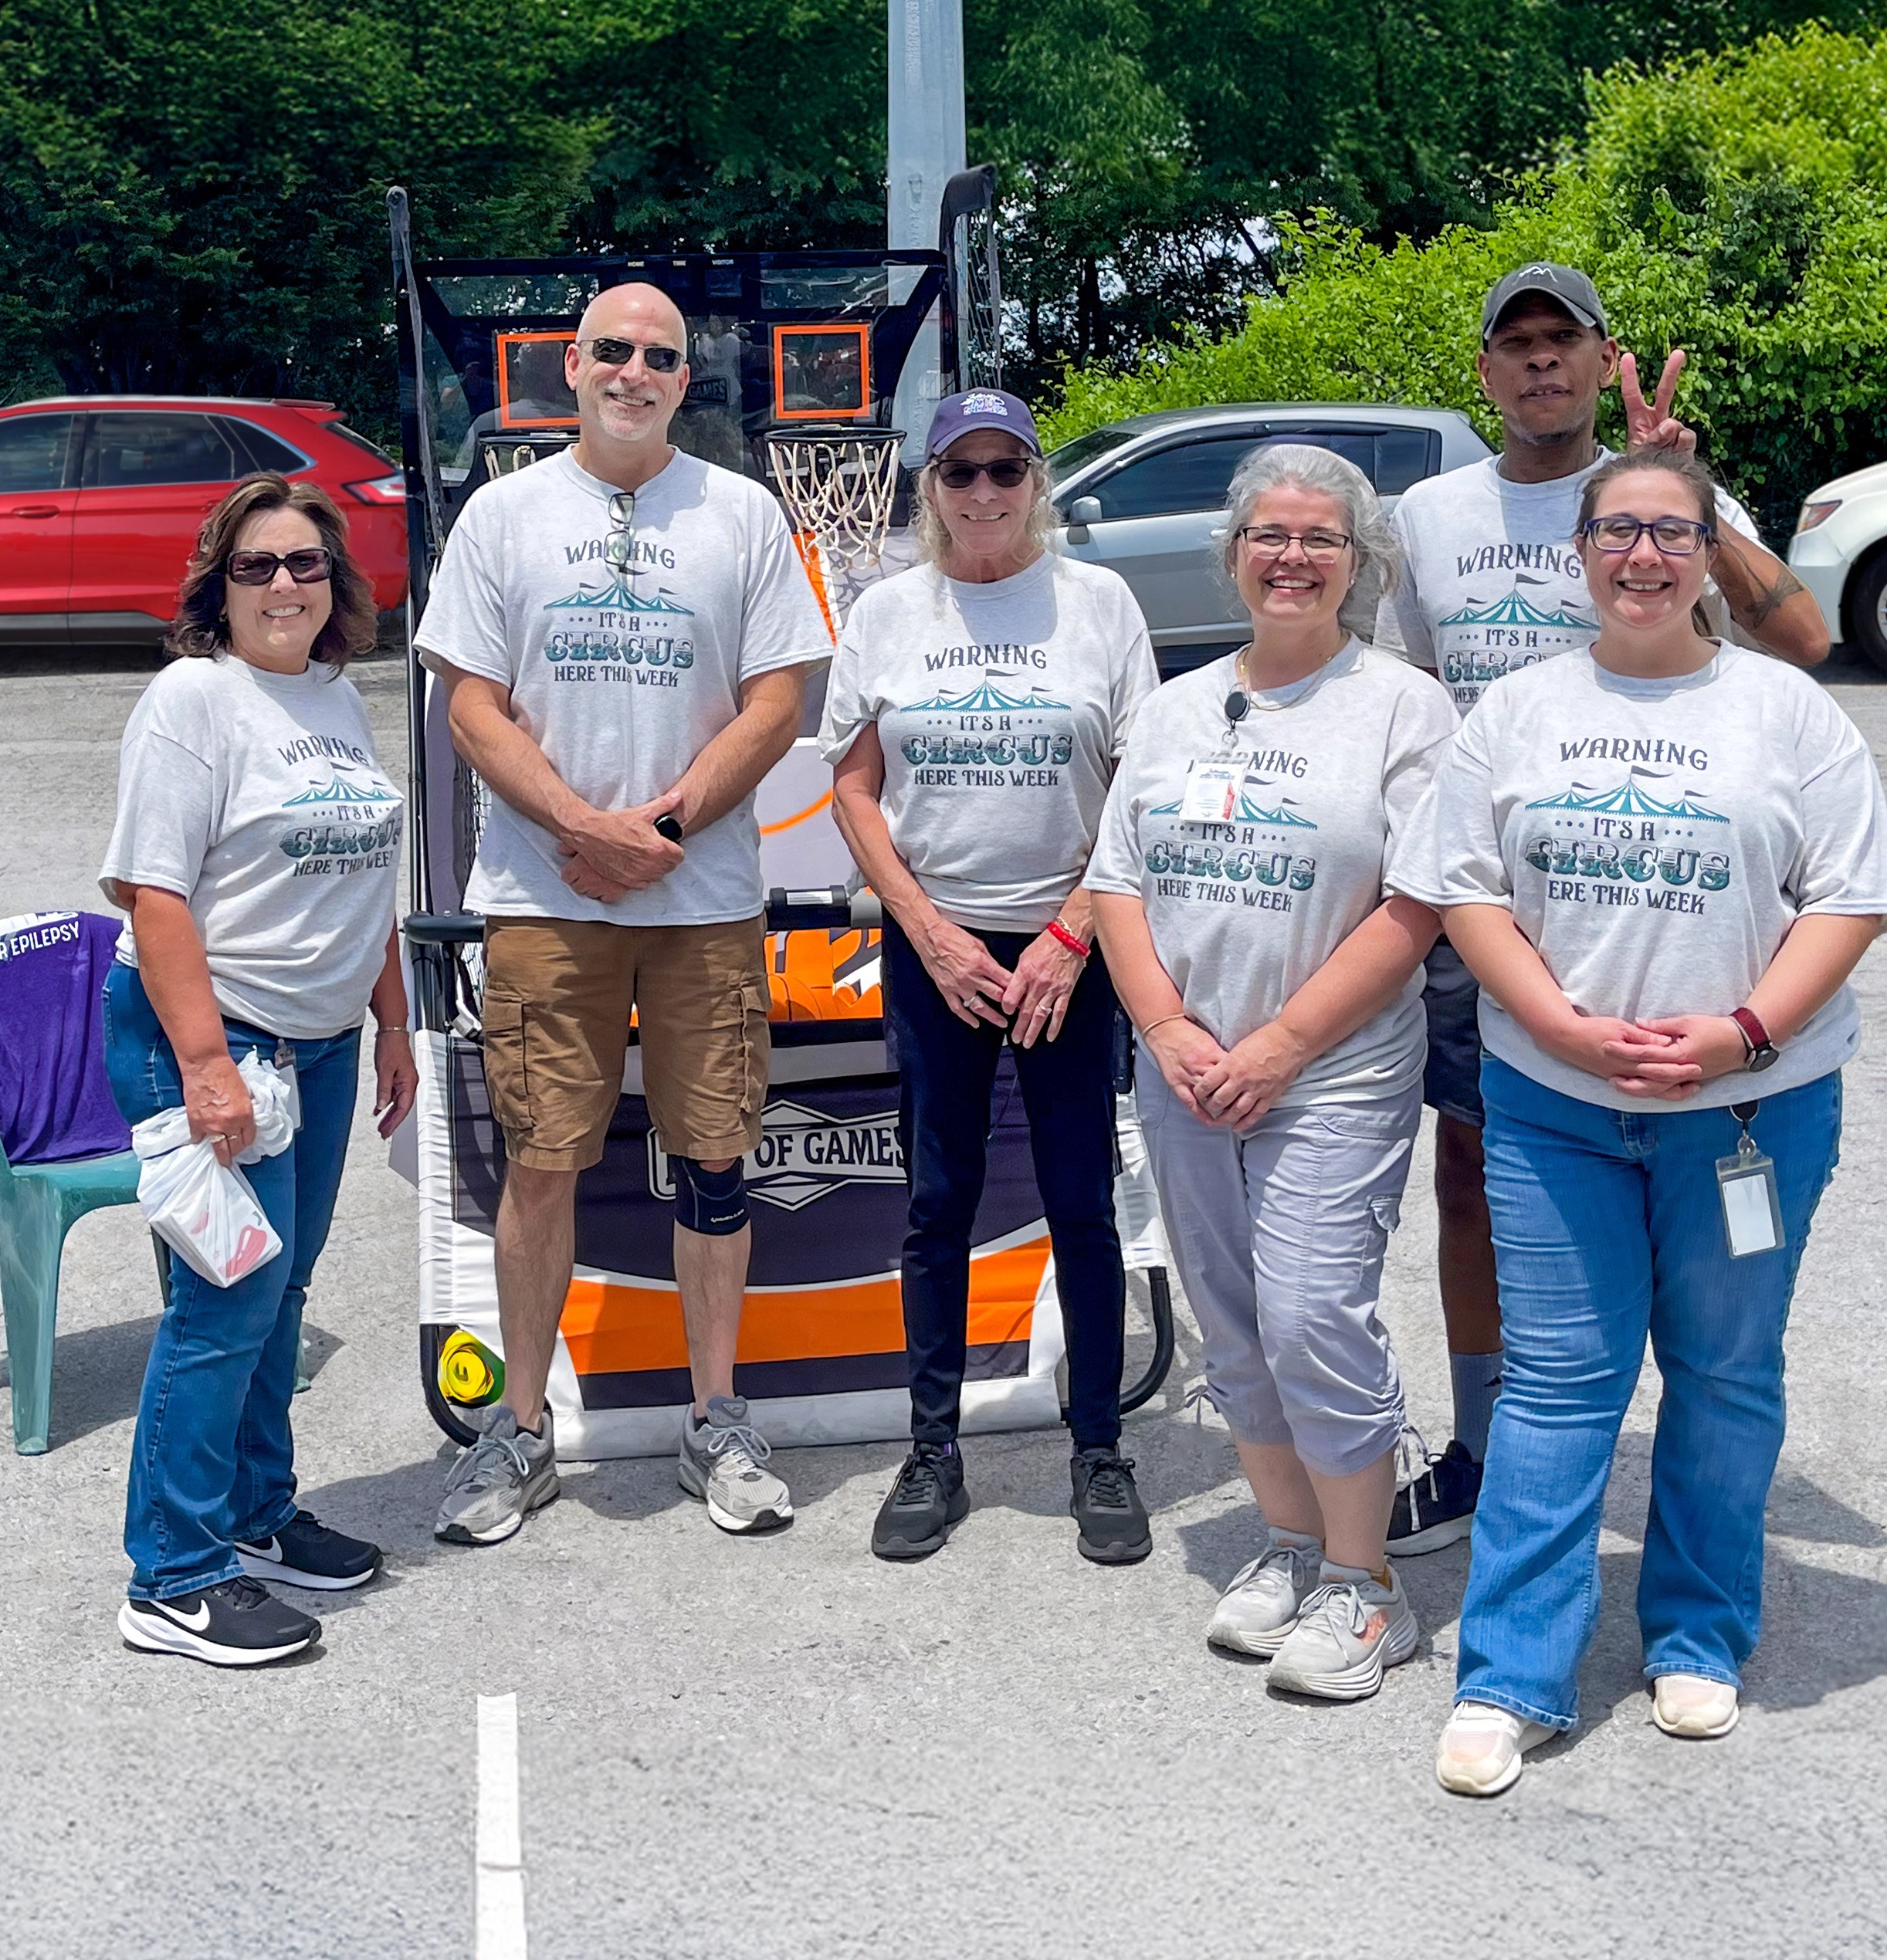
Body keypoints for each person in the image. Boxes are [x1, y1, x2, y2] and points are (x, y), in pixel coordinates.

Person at [1417, 445, 1887, 1795]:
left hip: (1751, 1108)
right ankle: (1512, 1674)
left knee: (1725, 1372)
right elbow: (1466, 894)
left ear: (1710, 555)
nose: (1644, 556)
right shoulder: (1512, 713)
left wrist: (1745, 1031)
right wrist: (1566, 1028)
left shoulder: (1789, 713)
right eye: (1617, 532)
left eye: (1672, 534)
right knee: (1562, 1383)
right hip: (1555, 1104)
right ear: (1576, 554)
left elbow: (1850, 898)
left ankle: (1697, 1634)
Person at [1375, 262, 1835, 1562]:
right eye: (1513, 344)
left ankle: (1672, 1468)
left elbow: (1803, 641)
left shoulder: (1664, 495)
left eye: (1561, 343)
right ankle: (1484, 1442)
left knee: (1680, 1152)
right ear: (1485, 372)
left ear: (1598, 358)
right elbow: (1404, 689)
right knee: (1471, 1170)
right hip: (1489, 900)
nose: (1539, 365)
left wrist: (1684, 484)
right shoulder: (1431, 513)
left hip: (1653, 879)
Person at [419, 283, 836, 1544]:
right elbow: (471, 706)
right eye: (613, 351)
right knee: (543, 1158)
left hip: (699, 896)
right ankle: (522, 1434)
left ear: (681, 380)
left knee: (717, 1155)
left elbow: (779, 703)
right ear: (572, 364)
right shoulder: (503, 515)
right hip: (546, 897)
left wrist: (658, 828)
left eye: (660, 357)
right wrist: (577, 828)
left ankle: (719, 1421)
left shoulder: (743, 513)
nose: (635, 373)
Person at [1083, 442, 1454, 1701]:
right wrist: (1173, 1034)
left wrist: (1282, 1045)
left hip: (1332, 1077)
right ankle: (1292, 1546)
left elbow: (1418, 903)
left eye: (1320, 539)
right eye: (1269, 534)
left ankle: (1369, 1587)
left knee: (1311, 1317)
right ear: (1233, 550)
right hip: (1185, 1075)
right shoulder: (1179, 705)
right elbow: (1117, 882)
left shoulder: (1402, 705)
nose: (1291, 557)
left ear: (1359, 563)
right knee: (1234, 1330)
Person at [821, 388, 1160, 1564]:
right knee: (937, 1200)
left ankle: (1099, 1446)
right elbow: (854, 788)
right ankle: (933, 1451)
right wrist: (924, 930)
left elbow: (1138, 785)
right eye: (957, 473)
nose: (981, 494)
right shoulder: (887, 612)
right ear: (929, 487)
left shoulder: (1099, 602)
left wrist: (1074, 931)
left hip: (1073, 943)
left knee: (1079, 1200)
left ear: (1035, 482)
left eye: (1003, 471)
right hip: (938, 948)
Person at [100, 477, 416, 1667]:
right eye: (256, 567)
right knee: (223, 1306)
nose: (284, 585)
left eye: (304, 563)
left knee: (282, 1295)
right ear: (216, 588)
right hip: (215, 1037)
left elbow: (361, 870)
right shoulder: (194, 701)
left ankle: (254, 1513)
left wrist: (389, 1016)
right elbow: (156, 895)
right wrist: (204, 1071)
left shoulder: (333, 697)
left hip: (324, 1041)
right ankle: (173, 1577)